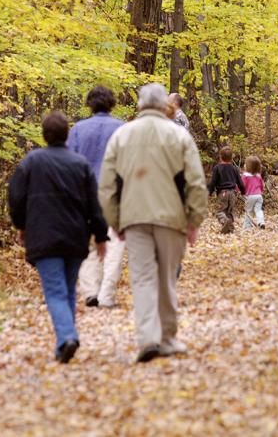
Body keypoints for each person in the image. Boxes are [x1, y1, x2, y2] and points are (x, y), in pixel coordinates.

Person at [98, 83, 208, 363]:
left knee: (143, 277)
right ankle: (168, 338)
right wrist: (194, 220)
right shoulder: (179, 136)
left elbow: (108, 185)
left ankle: (148, 338)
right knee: (167, 277)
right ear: (165, 105)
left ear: (139, 105)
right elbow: (195, 182)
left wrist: (115, 221)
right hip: (172, 217)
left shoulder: (121, 135)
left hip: (133, 218)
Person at [8, 111, 109, 363]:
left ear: (44, 135)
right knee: (67, 290)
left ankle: (66, 337)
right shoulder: (80, 164)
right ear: (67, 135)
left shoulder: (31, 162)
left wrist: (21, 226)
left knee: (55, 291)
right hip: (75, 236)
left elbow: (16, 198)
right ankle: (65, 342)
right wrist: (100, 235)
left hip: (43, 236)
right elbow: (93, 205)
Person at [68, 86, 125, 308]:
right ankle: (106, 294)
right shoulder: (122, 128)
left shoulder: (78, 130)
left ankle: (90, 290)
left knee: (88, 243)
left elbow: (69, 163)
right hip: (115, 194)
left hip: (84, 194)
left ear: (89, 103)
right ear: (112, 103)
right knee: (114, 244)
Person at [208, 146, 246, 234]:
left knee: (220, 212)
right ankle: (230, 230)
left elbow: (213, 181)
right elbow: (240, 182)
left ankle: (225, 222)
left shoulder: (217, 168)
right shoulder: (234, 168)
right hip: (232, 193)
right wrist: (243, 191)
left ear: (220, 156)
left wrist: (210, 192)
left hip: (223, 193)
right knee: (230, 212)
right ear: (231, 158)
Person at [242, 155, 265, 230]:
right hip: (259, 196)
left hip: (250, 196)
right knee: (258, 210)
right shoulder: (258, 176)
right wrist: (261, 191)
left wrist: (238, 190)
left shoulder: (245, 176)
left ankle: (247, 227)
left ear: (248, 166)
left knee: (249, 211)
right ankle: (261, 222)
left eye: (246, 164)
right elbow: (262, 186)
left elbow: (242, 185)